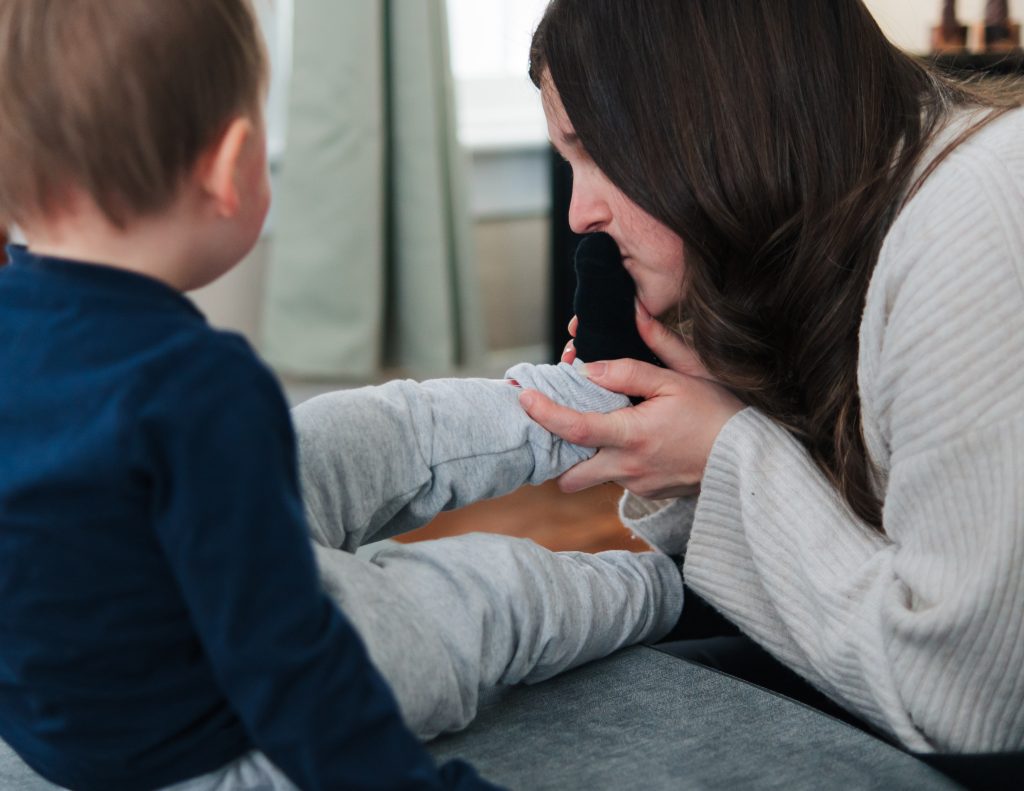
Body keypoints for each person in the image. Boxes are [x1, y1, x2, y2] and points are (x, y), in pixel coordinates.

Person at [0, 1, 684, 788]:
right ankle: (671, 587)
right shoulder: (197, 386)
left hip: (121, 648)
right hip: (216, 747)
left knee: (370, 429)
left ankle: (591, 390)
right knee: (484, 594)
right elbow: (290, 666)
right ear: (233, 166)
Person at [517, 0, 1024, 756]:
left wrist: (727, 454)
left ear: (714, 118)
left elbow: (968, 702)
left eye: (596, 153)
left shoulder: (971, 223)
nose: (580, 212)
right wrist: (694, 448)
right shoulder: (833, 238)